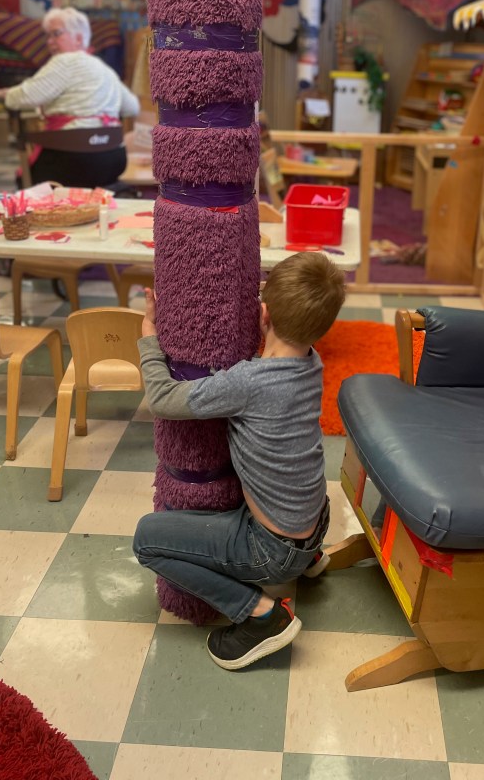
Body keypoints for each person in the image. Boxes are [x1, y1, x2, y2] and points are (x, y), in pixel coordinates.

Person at [133, 251, 347, 670]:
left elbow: (161, 399)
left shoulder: (248, 382)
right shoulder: (312, 362)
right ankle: (310, 559)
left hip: (272, 551)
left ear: (262, 314)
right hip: (314, 523)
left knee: (146, 540)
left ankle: (261, 615)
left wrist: (148, 336)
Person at [0, 7, 140, 187]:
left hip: (73, 160)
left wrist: (6, 95)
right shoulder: (104, 69)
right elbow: (133, 107)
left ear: (78, 38)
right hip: (113, 159)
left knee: (28, 177)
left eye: (56, 34)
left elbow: (26, 96)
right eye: (47, 36)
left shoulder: (65, 61)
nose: (49, 41)